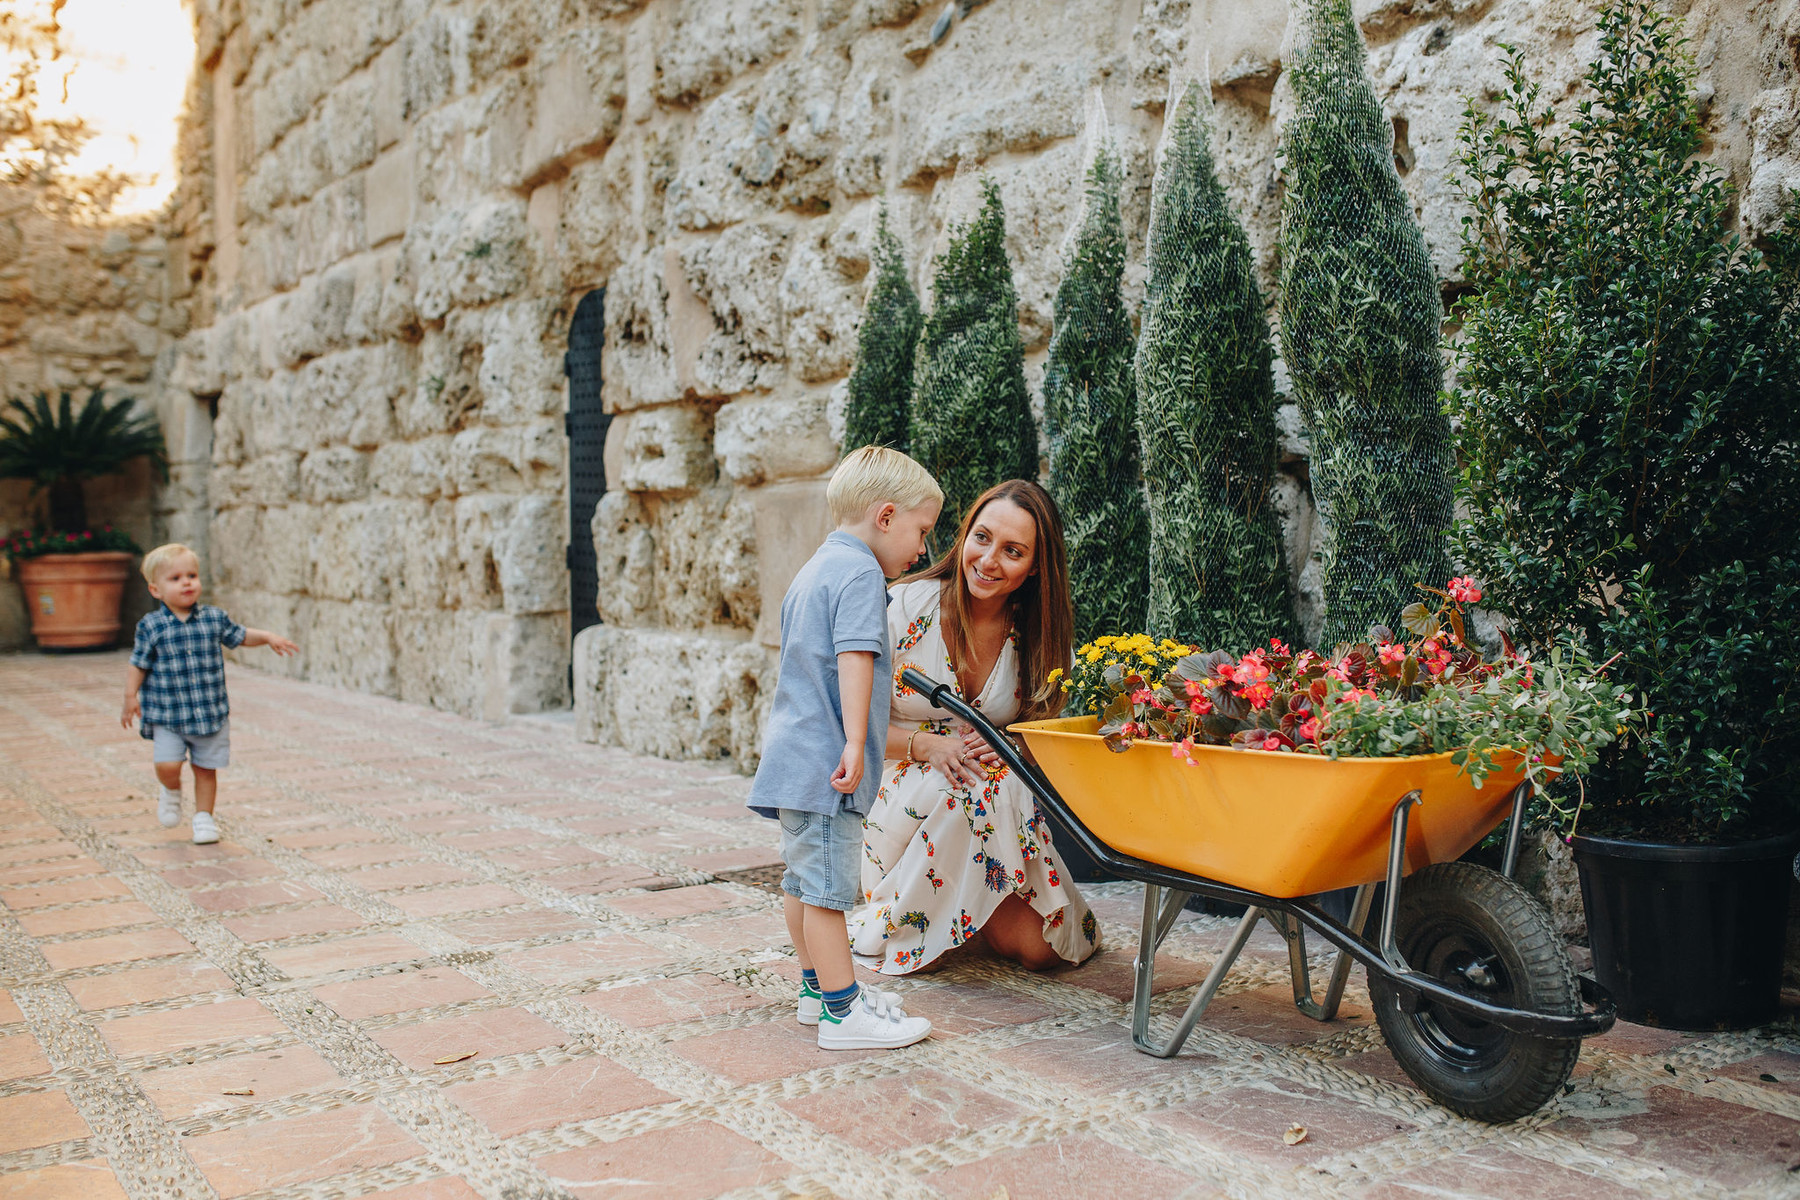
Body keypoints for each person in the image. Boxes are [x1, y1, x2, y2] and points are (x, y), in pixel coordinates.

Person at [850, 479, 1100, 975]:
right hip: (897, 794)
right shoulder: (903, 607)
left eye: (1013, 551)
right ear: (964, 536)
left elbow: (1054, 737)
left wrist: (1010, 743)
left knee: (1041, 952)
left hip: (994, 810)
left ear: (1034, 567)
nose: (988, 561)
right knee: (969, 783)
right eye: (981, 538)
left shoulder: (1042, 639)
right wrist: (925, 744)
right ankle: (902, 917)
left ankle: (964, 897)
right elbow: (849, 723)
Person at [747, 447, 942, 1050]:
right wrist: (858, 741)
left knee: (803, 883)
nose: (923, 551)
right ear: (885, 516)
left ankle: (815, 990)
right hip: (828, 763)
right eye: (921, 530)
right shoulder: (861, 574)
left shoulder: (816, 568)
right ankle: (842, 1011)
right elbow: (855, 657)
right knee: (831, 892)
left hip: (793, 759)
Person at [121, 543, 298, 844]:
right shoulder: (151, 626)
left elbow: (240, 636)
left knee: (205, 769)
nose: (187, 582)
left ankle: (204, 818)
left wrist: (267, 637)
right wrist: (129, 696)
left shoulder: (213, 619)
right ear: (156, 590)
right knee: (167, 764)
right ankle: (171, 789)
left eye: (191, 575)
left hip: (209, 713)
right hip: (167, 714)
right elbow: (139, 663)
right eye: (175, 578)